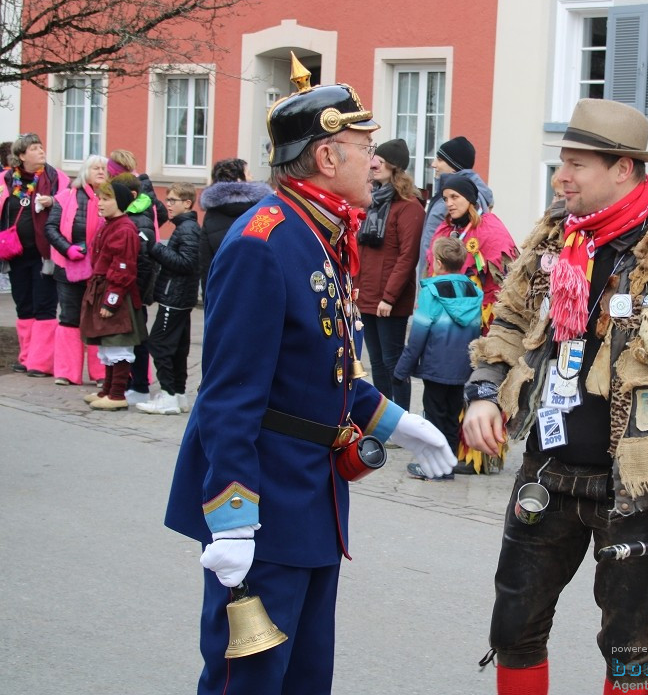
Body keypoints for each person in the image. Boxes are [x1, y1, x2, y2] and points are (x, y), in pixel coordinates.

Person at [163, 58, 456, 695]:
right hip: (265, 503)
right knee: (249, 679)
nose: (374, 161)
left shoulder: (318, 232)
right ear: (327, 156)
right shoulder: (262, 242)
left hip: (313, 496)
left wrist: (405, 426)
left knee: (304, 677)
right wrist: (233, 517)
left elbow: (332, 370)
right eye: (364, 148)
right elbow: (229, 397)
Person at [463, 98, 648, 694]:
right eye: (559, 162)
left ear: (624, 169)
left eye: (576, 165)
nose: (560, 177)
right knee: (512, 629)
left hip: (636, 488)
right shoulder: (553, 237)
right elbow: (510, 322)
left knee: (628, 646)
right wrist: (486, 393)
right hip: (548, 470)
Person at [427, 172, 518, 475]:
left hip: (485, 318)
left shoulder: (491, 229)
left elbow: (510, 279)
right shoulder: (447, 230)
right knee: (455, 384)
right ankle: (457, 448)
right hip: (453, 319)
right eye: (445, 198)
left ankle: (480, 455)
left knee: (480, 383)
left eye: (455, 197)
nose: (449, 204)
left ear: (471, 199)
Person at [396, 236, 482, 481]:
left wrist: (402, 370)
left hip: (435, 367)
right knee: (452, 417)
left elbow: (418, 336)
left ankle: (433, 467)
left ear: (439, 263)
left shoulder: (431, 291)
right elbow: (476, 332)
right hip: (462, 369)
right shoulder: (474, 291)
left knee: (433, 419)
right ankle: (448, 466)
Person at [356, 138, 425, 409]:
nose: (374, 165)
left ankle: (401, 419)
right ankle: (383, 419)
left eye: (381, 162)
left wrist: (389, 297)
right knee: (376, 363)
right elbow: (361, 249)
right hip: (368, 296)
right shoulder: (372, 201)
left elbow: (407, 257)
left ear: (394, 168)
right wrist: (357, 286)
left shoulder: (409, 207)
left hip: (389, 301)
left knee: (393, 362)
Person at [0, 133, 69, 376]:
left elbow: (71, 202)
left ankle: (41, 362)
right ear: (21, 155)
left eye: (41, 147)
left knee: (45, 305)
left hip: (45, 254)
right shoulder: (6, 179)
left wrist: (53, 201)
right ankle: (26, 356)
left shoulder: (55, 177)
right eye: (34, 148)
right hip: (15, 254)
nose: (41, 151)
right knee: (24, 305)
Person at [80, 180, 146, 410]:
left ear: (119, 202)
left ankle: (117, 394)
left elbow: (124, 268)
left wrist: (112, 300)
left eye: (106, 199)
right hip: (103, 288)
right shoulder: (110, 224)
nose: (100, 203)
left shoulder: (124, 228)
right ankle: (107, 390)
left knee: (118, 343)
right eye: (100, 198)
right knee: (107, 344)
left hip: (116, 294)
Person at [136, 183, 201, 415]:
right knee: (177, 347)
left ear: (187, 203)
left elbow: (186, 263)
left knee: (159, 344)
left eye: (173, 200)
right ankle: (178, 395)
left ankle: (167, 395)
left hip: (175, 298)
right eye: (168, 200)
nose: (168, 205)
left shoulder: (188, 229)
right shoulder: (185, 227)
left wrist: (153, 247)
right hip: (179, 297)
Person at [45, 154, 109, 386]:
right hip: (69, 267)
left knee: (96, 319)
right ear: (85, 172)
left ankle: (101, 373)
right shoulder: (66, 197)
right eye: (96, 168)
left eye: (104, 168)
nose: (101, 171)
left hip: (101, 269)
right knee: (69, 317)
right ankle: (66, 372)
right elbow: (51, 228)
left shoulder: (111, 199)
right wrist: (67, 249)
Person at [417, 135, 494, 282]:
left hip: (444, 284)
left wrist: (424, 286)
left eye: (439, 160)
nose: (433, 164)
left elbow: (433, 249)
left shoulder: (461, 198)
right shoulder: (460, 193)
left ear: (454, 166)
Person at [110, 171, 157, 404]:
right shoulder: (126, 217)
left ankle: (140, 385)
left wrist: (137, 292)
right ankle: (128, 383)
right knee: (126, 339)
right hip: (128, 290)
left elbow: (144, 263)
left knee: (137, 339)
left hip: (134, 291)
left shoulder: (140, 220)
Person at [198, 157, 273, 296]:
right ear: (239, 180)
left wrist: (208, 297)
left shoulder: (211, 213)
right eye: (249, 173)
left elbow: (206, 262)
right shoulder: (261, 209)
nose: (252, 177)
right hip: (257, 290)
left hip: (222, 291)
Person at [108, 149, 167, 228]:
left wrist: (143, 230)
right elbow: (162, 213)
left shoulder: (129, 190)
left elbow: (162, 214)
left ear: (113, 174)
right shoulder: (143, 185)